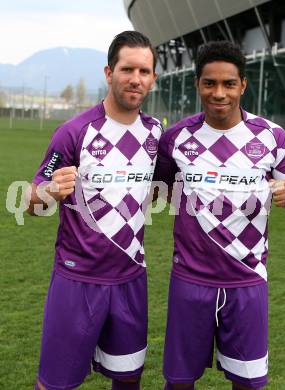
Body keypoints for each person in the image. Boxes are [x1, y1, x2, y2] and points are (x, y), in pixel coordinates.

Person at [154, 41, 285, 390]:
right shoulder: (175, 139)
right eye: (209, 83)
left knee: (249, 384)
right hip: (189, 281)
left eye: (228, 83)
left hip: (247, 280)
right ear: (198, 84)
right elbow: (157, 192)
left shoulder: (272, 137)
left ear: (243, 85)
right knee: (179, 382)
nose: (219, 93)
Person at [27, 30, 162, 390]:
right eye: (127, 69)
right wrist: (50, 191)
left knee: (128, 379)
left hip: (131, 277)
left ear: (153, 78)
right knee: (55, 383)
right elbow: (31, 199)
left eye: (144, 71)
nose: (135, 79)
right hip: (78, 279)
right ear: (108, 73)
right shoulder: (73, 132)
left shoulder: (156, 134)